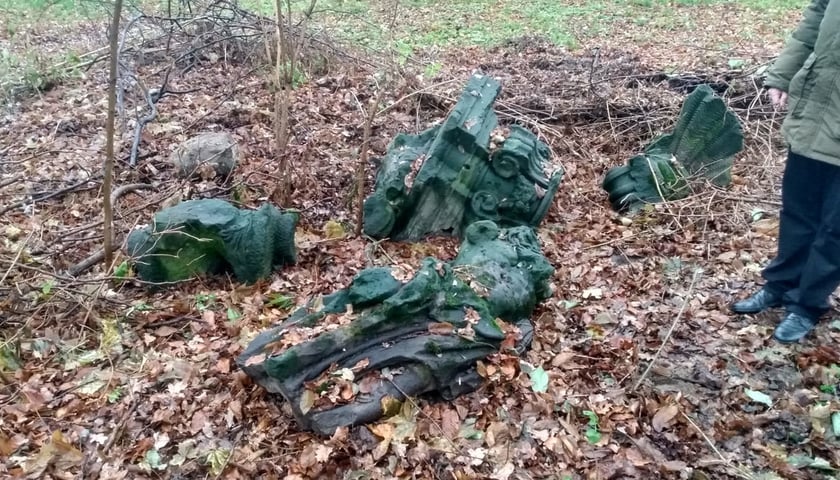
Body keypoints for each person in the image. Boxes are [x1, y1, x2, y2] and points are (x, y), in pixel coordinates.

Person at [730, 0, 840, 343]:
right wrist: (784, 74)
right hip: (815, 108)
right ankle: (781, 284)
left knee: (835, 227)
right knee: (798, 210)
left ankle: (807, 304)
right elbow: (816, 18)